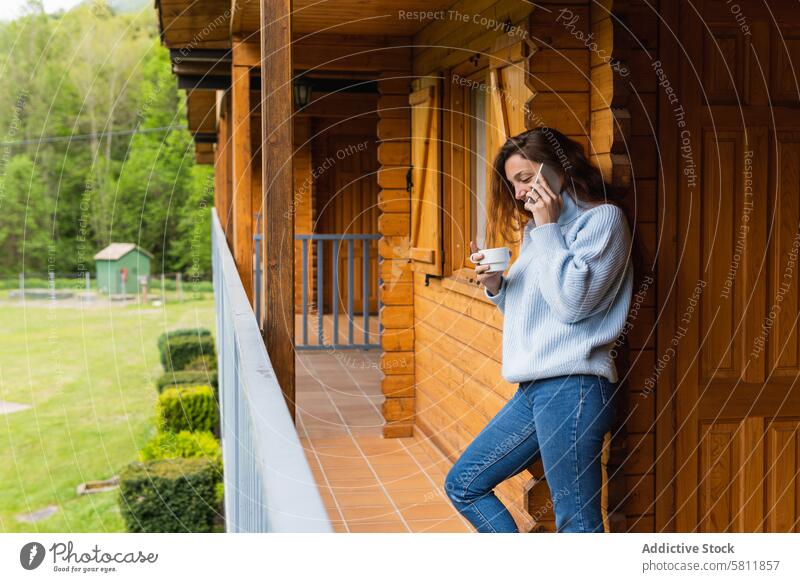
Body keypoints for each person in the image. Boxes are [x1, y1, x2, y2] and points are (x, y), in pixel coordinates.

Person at [444, 127, 635, 533]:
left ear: (560, 169)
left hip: (573, 386)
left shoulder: (602, 222)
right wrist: (497, 286)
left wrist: (547, 229)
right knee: (464, 485)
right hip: (535, 388)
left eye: (526, 179)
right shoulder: (537, 233)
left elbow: (573, 305)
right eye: (512, 183)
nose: (518, 193)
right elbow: (534, 312)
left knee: (576, 523)